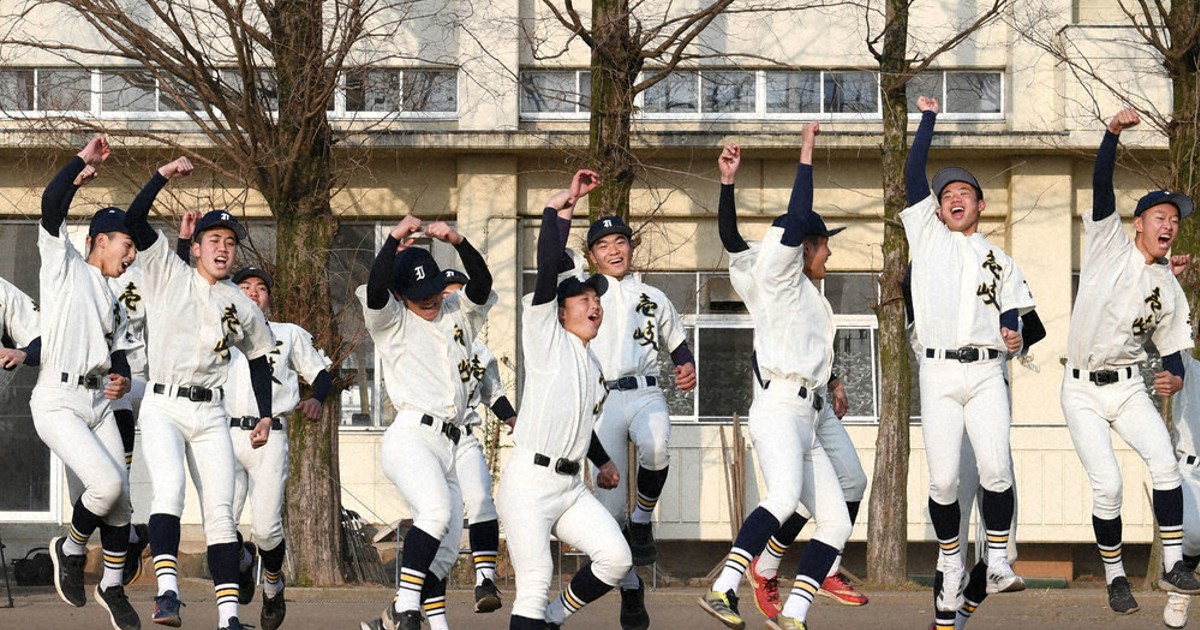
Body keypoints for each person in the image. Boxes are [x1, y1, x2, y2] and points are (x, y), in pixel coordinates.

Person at [699, 123, 852, 630]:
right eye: (825, 244)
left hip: (807, 414)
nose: (830, 252)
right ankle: (724, 587)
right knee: (783, 497)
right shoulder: (780, 274)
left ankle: (794, 613)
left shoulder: (808, 294)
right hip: (779, 408)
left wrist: (726, 185)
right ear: (804, 246)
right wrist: (805, 152)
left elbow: (729, 237)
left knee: (837, 520)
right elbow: (798, 217)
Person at [123, 157, 278, 630]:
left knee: (221, 511)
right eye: (214, 240)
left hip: (212, 410)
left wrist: (266, 414)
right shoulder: (168, 273)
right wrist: (163, 176)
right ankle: (167, 595)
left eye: (231, 242)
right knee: (169, 490)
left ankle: (229, 617)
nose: (224, 249)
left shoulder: (240, 303)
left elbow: (257, 357)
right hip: (165, 403)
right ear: (195, 247)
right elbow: (133, 221)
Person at [904, 96, 1036, 630]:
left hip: (984, 372)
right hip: (936, 371)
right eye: (947, 194)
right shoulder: (927, 234)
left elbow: (1016, 319)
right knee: (942, 484)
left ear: (982, 206)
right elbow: (915, 172)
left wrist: (1016, 334)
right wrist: (929, 119)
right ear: (936, 209)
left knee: (996, 468)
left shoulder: (1000, 258)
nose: (955, 197)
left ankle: (998, 561)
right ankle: (951, 561)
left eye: (966, 192)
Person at [1063, 107, 1199, 615]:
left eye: (1176, 220)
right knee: (1110, 486)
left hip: (1125, 388)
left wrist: (1175, 375)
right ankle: (1115, 578)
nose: (1169, 224)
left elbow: (1173, 348)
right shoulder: (1106, 246)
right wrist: (1111, 135)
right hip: (1080, 390)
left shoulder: (1168, 285)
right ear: (1138, 223)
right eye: (1160, 216)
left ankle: (1172, 565)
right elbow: (1101, 186)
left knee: (1164, 464)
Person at [495, 168, 632, 630]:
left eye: (596, 297)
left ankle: (553, 619)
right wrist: (559, 211)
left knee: (616, 558)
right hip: (530, 484)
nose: (593, 303)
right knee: (535, 578)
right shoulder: (545, 336)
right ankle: (540, 615)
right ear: (559, 309)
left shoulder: (593, 366)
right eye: (582, 298)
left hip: (572, 488)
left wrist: (604, 460)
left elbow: (582, 424)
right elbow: (549, 264)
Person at [358, 215, 495, 630]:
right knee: (434, 512)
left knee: (445, 551)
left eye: (434, 288)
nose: (431, 298)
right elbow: (377, 287)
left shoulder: (456, 311)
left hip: (454, 442)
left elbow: (483, 283)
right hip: (413, 436)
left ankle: (407, 621)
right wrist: (394, 238)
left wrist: (459, 241)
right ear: (402, 295)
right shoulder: (391, 321)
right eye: (419, 294)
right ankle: (406, 608)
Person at [37, 136, 139, 630]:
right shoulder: (64, 267)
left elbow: (117, 356)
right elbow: (51, 203)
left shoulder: (115, 298)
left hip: (97, 400)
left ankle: (112, 586)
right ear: (102, 239)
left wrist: (120, 380)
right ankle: (71, 547)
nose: (132, 254)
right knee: (105, 484)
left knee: (120, 504)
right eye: (128, 243)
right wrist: (82, 161)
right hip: (57, 399)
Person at [583, 202, 696, 630]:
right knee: (608, 509)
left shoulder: (655, 296)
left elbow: (676, 342)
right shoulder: (587, 290)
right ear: (593, 254)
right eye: (603, 244)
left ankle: (644, 520)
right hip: (602, 399)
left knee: (658, 445)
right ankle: (631, 587)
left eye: (620, 241)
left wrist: (686, 365)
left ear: (632, 247)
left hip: (645, 389)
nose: (614, 249)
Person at [213, 263, 332, 630]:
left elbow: (321, 374)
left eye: (260, 287)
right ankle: (242, 570)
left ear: (268, 297)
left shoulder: (288, 334)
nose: (252, 292)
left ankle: (273, 583)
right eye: (244, 285)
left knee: (266, 529)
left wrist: (317, 399)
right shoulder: (219, 332)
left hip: (270, 436)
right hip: (223, 432)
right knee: (221, 524)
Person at [441, 268, 518, 614]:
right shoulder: (421, 340)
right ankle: (411, 596)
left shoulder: (481, 352)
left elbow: (493, 394)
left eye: (458, 294)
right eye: (446, 295)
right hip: (426, 438)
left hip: (465, 435)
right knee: (439, 517)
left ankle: (485, 579)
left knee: (482, 501)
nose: (453, 301)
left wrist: (514, 419)